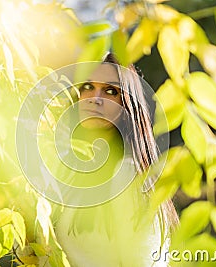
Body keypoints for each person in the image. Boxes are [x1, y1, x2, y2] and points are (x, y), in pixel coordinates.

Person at [51, 52, 179, 266]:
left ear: (128, 106)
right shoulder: (71, 169)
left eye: (110, 91)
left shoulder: (128, 175)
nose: (95, 98)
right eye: (87, 87)